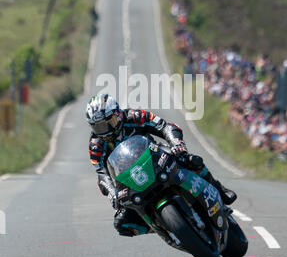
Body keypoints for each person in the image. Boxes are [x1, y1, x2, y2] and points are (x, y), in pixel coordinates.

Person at [86, 94, 237, 237]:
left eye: (108, 124)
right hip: (129, 179)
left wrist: (177, 144)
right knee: (122, 222)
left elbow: (165, 126)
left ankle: (219, 189)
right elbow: (101, 172)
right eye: (98, 127)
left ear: (117, 114)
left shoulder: (135, 116)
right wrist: (113, 194)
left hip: (154, 156)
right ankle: (163, 226)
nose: (105, 131)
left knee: (191, 160)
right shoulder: (96, 145)